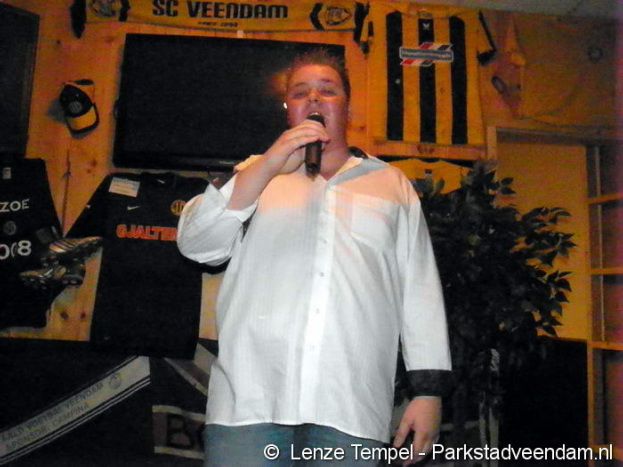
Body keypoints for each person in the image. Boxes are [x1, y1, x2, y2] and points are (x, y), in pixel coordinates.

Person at [177, 49, 452, 466]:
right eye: (300, 92)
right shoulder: (254, 174)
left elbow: (419, 291)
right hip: (249, 403)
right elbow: (197, 245)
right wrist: (270, 164)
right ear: (289, 109)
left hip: (350, 407)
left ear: (347, 106)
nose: (314, 99)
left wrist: (428, 391)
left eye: (328, 90)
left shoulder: (390, 184)